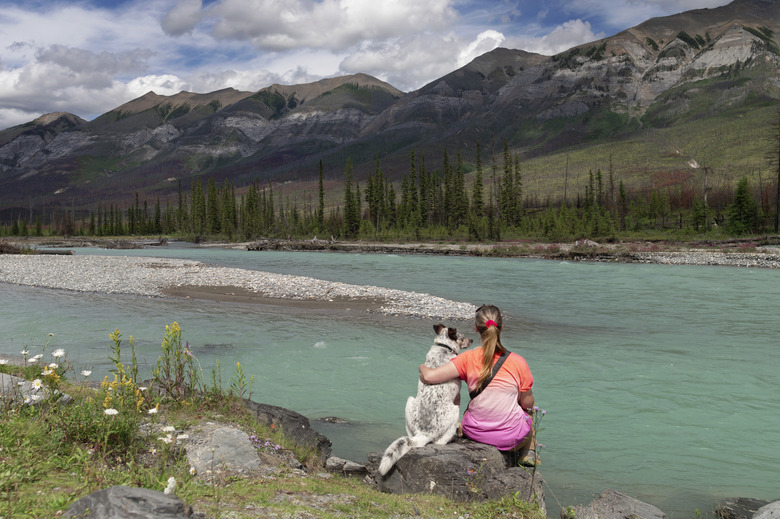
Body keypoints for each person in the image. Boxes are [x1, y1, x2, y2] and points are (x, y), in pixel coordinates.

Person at [418, 304, 539, 466]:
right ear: (502, 327)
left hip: (474, 432)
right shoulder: (518, 362)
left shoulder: (467, 358)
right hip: (510, 438)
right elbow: (527, 404)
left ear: (476, 328)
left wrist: (422, 367)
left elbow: (428, 376)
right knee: (530, 408)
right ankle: (529, 451)